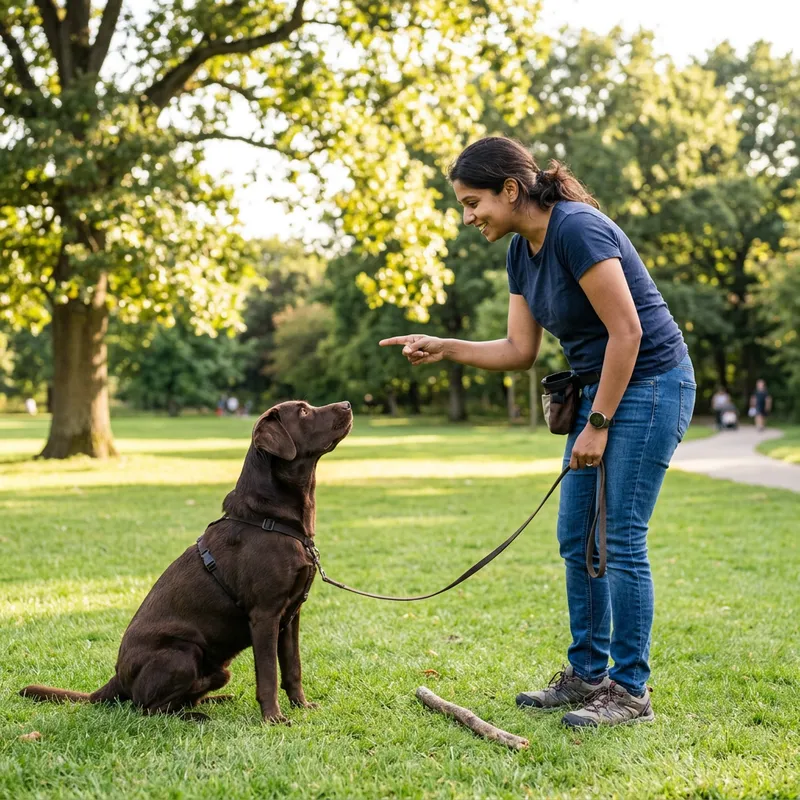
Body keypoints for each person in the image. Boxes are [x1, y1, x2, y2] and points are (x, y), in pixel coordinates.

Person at [380, 136, 696, 728]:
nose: (469, 217)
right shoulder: (520, 252)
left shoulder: (577, 230)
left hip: (651, 385)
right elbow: (519, 350)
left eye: (474, 203)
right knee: (577, 537)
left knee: (620, 539)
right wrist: (443, 347)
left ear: (510, 189)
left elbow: (627, 334)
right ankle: (587, 675)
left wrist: (597, 424)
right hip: (602, 389)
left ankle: (630, 692)